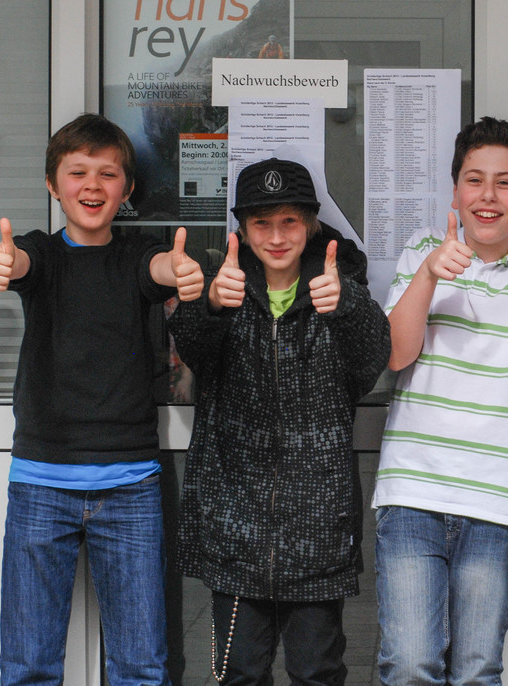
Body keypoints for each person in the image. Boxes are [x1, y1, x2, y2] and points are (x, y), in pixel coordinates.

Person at [0, 113, 204, 685]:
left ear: (126, 189)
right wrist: (6, 263)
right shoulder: (41, 253)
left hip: (130, 486)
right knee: (27, 666)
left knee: (141, 668)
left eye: (107, 174)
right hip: (40, 482)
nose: (92, 185)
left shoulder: (136, 255)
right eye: (77, 172)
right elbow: (20, 264)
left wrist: (180, 269)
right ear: (52, 185)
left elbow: (159, 269)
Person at [372, 116, 508, 685]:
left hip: (498, 499)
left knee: (475, 669)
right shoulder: (423, 250)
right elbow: (395, 354)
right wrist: (428, 276)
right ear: (455, 191)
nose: (487, 195)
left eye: (504, 182)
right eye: (474, 180)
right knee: (410, 663)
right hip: (415, 490)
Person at [166, 158, 390, 685]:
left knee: (317, 672)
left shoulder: (338, 286)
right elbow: (193, 349)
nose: (276, 236)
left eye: (289, 221)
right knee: (238, 672)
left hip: (318, 529)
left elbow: (370, 363)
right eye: (261, 223)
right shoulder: (224, 286)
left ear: (310, 224)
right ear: (243, 231)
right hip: (234, 525)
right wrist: (210, 307)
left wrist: (347, 307)